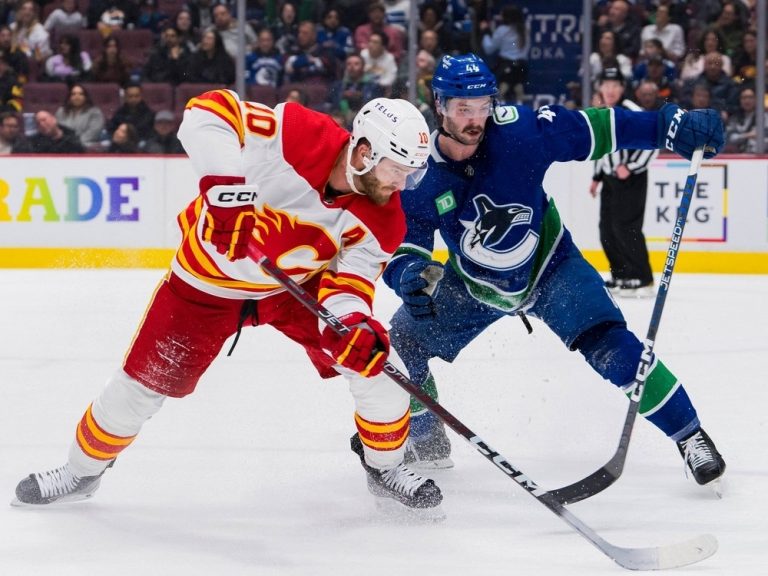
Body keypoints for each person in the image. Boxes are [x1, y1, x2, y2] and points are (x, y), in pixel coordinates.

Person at [12, 92, 444, 513]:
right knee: (137, 391)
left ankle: (384, 468)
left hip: (292, 292)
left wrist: (354, 323)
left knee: (379, 369)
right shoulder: (298, 133)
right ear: (365, 151)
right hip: (204, 288)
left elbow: (349, 283)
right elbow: (206, 112)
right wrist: (224, 189)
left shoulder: (386, 217)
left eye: (412, 173)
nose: (403, 183)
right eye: (397, 169)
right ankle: (80, 473)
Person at [381, 53, 726, 491]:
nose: (475, 119)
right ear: (439, 105)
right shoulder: (419, 174)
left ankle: (690, 436)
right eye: (463, 108)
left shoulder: (519, 133)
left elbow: (595, 129)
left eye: (483, 106)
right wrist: (408, 275)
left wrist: (665, 128)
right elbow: (406, 245)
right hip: (473, 286)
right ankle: (427, 437)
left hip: (550, 266)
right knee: (401, 342)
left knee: (612, 346)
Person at [590, 67, 656, 296]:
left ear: (622, 88)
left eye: (614, 86)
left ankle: (642, 277)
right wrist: (596, 176)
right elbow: (601, 148)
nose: (609, 90)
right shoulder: (602, 113)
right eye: (605, 85)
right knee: (607, 229)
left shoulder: (632, 112)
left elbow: (652, 144)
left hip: (631, 179)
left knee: (626, 227)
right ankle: (621, 274)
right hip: (609, 179)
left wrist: (630, 167)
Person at [14, 109, 85, 153]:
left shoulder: (71, 138)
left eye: (44, 120)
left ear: (54, 119)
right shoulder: (35, 142)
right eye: (38, 123)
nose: (41, 124)